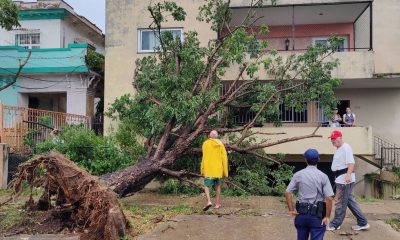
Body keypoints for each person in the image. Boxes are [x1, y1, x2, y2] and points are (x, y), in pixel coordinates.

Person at [285, 149, 334, 240]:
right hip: (317, 216)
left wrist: (291, 210)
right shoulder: (323, 176)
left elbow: (288, 192)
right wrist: (327, 216)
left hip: (301, 215)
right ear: (318, 160)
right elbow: (329, 198)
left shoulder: (298, 175)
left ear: (305, 160)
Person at [327, 130, 370, 231]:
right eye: (332, 139)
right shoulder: (339, 149)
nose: (333, 141)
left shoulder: (346, 148)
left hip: (344, 179)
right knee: (350, 201)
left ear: (340, 138)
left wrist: (348, 175)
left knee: (340, 202)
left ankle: (335, 224)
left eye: (335, 139)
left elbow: (351, 163)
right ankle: (363, 222)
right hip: (340, 178)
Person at [201, 130, 228, 211]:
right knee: (218, 186)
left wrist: (202, 168)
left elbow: (204, 156)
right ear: (217, 136)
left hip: (208, 169)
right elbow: (224, 158)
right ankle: (217, 204)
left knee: (206, 186)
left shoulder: (205, 143)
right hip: (218, 169)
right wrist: (225, 172)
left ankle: (209, 201)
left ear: (210, 135)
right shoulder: (220, 144)